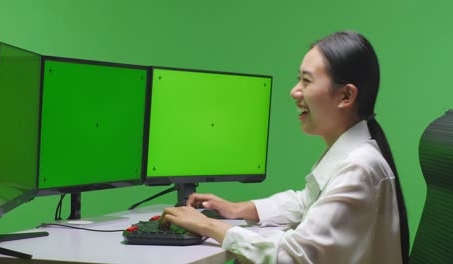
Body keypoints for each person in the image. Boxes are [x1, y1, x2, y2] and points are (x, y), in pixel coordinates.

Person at [161, 31, 410, 264]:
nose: (294, 91)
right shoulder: (355, 157)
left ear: (346, 96)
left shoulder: (360, 168)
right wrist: (240, 208)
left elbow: (295, 256)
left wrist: (209, 226)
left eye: (307, 81)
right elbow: (306, 201)